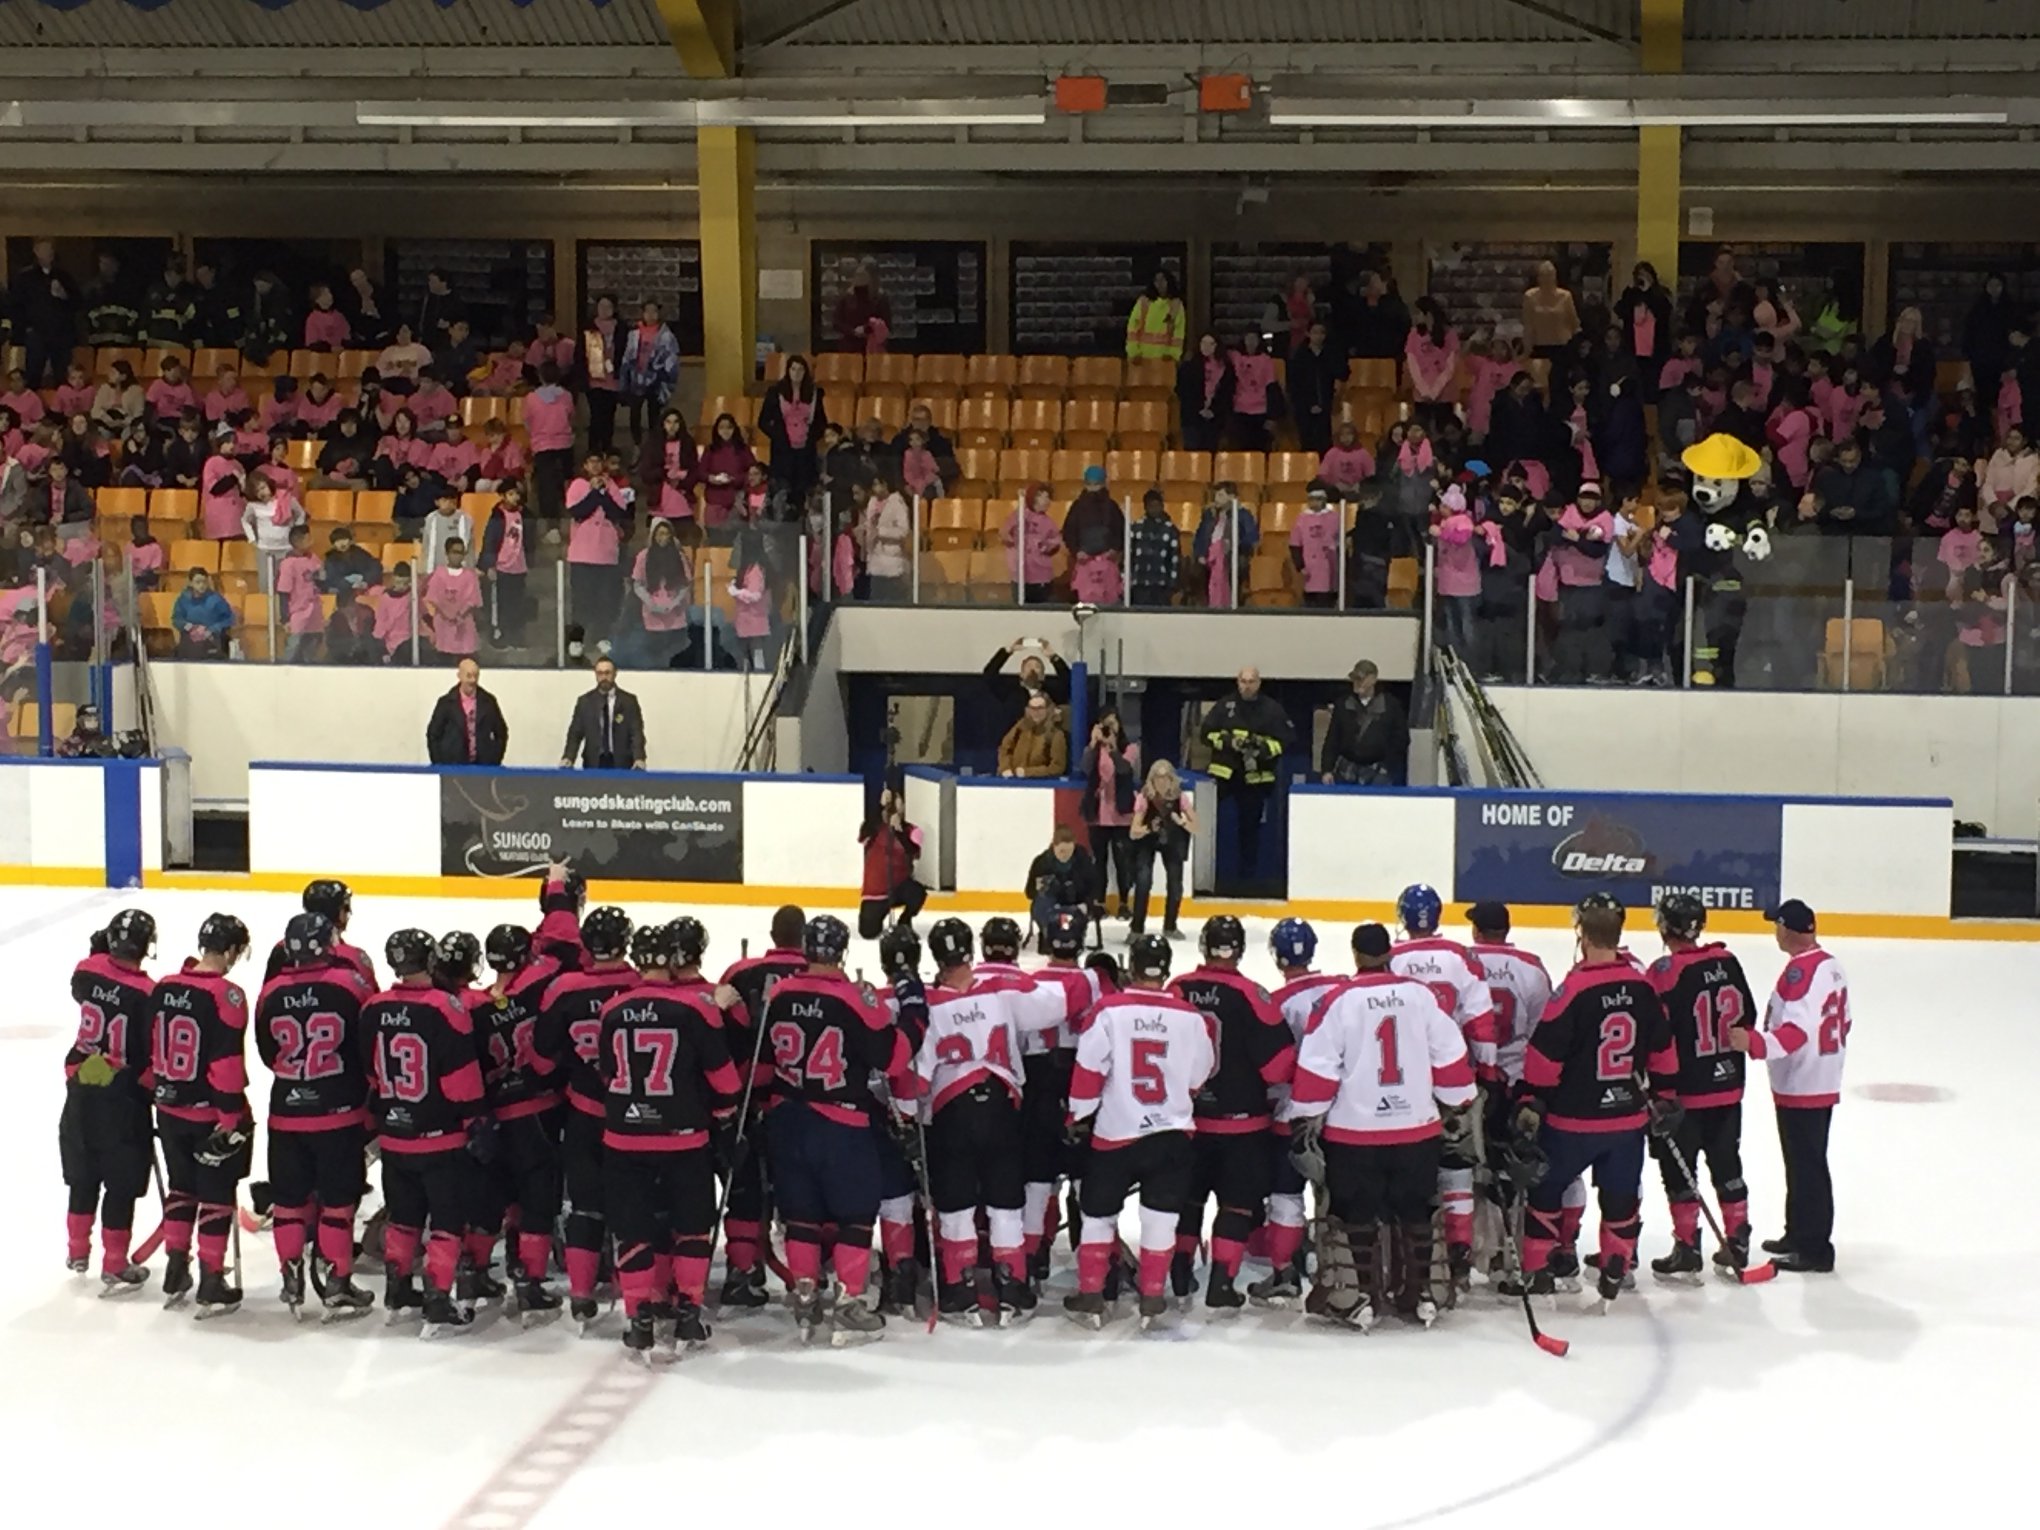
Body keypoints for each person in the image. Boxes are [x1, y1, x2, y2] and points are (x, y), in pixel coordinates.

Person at [1288, 922, 1474, 1329]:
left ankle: (1361, 1296)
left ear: (1355, 955)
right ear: (1390, 952)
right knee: (1416, 1209)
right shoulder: (1421, 998)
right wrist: (1456, 1101)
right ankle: (1422, 1292)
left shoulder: (1338, 1001)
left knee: (1355, 1213)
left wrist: (1306, 1114)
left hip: (1353, 1134)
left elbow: (1318, 1070)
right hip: (1417, 1129)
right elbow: (1450, 1057)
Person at [1510, 894, 1678, 1307]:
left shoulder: (1573, 989)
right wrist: (1665, 1096)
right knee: (1620, 1197)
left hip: (1573, 1120)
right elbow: (1663, 1048)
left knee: (1546, 1189)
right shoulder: (1642, 986)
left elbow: (1544, 1057)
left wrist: (1532, 1100)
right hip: (1626, 1120)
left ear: (1582, 934)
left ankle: (1539, 1269)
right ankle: (1615, 1265)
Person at [761, 914, 913, 1344]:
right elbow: (893, 1061)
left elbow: (763, 1054)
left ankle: (805, 1294)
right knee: (854, 1214)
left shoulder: (780, 992)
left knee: (800, 1213)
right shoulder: (854, 999)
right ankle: (849, 1302)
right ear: (842, 951)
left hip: (788, 1117)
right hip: (842, 1122)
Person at [599, 922, 743, 1359]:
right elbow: (726, 1083)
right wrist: (721, 1117)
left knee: (634, 1229)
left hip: (624, 1138)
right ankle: (689, 1312)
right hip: (684, 1141)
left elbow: (608, 1075)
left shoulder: (612, 1009)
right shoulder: (696, 1009)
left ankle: (639, 1316)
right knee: (692, 1227)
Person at [910, 919, 1065, 1324]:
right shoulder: (1001, 992)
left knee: (957, 1204)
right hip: (1000, 1108)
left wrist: (909, 1115)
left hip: (952, 1113)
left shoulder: (928, 1006)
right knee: (1004, 1200)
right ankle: (1012, 1284)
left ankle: (959, 1289)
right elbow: (1057, 1005)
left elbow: (918, 1079)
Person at [1063, 932, 1215, 1330]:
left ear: (1131, 966)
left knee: (1097, 1215)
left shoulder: (1109, 1011)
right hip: (1172, 1133)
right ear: (1165, 970)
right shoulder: (1190, 1017)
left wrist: (1079, 1115)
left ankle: (1092, 1295)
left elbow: (1089, 1070)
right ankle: (1152, 1295)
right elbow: (1200, 1074)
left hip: (1116, 1134)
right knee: (1161, 1217)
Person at [1165, 916, 1296, 1312]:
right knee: (1237, 1203)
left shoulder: (1178, 989)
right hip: (1244, 1125)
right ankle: (1222, 1282)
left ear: (1204, 946)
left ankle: (1181, 1271)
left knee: (1189, 1198)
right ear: (1239, 949)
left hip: (1186, 1123)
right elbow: (1279, 1067)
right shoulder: (1253, 995)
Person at [360, 930, 486, 1336]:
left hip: (395, 1136)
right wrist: (476, 1122)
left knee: (404, 1217)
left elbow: (371, 1073)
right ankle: (436, 1300)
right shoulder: (445, 1007)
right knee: (447, 1220)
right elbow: (461, 1080)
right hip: (441, 1137)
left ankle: (397, 1292)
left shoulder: (373, 1008)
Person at [251, 913, 376, 1317]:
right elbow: (368, 1044)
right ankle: (337, 1282)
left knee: (288, 1201)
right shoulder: (350, 984)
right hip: (338, 1111)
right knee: (339, 1201)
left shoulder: (271, 990)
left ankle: (291, 1277)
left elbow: (267, 1052)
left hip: (286, 1111)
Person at [1643, 893, 1759, 1280]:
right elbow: (1748, 1015)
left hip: (1683, 1093)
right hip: (1728, 1086)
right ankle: (1738, 1238)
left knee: (1679, 1171)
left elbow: (1652, 1032)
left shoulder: (1663, 971)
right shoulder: (1728, 961)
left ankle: (1688, 1246)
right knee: (1727, 1162)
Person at [1730, 899, 1849, 1274]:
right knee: (1803, 1162)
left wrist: (1754, 1043)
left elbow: (1795, 1032)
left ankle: (1814, 1247)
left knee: (1807, 1164)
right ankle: (1798, 1233)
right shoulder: (1829, 965)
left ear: (1786, 929)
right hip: (1820, 1075)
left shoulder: (1801, 973)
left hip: (1804, 1083)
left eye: (1777, 925)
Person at [529, 906, 636, 1323]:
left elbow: (540, 1059)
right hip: (633, 1118)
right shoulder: (639, 985)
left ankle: (579, 1292)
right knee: (633, 1205)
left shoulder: (562, 988)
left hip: (583, 1114)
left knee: (585, 1206)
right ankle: (634, 1289)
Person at [1385, 884, 1495, 1282]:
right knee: (1456, 1163)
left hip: (1406, 1082)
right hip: (1454, 1079)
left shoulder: (1392, 958)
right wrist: (1488, 1070)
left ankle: (1405, 1257)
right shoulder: (1459, 957)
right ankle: (1460, 1252)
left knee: (1408, 1166)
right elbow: (1480, 1020)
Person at [147, 912, 254, 1315]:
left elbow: (150, 1048)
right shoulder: (227, 995)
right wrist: (231, 1119)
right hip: (209, 1114)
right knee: (216, 1194)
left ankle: (176, 1265)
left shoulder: (164, 987)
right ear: (229, 949)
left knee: (181, 1187)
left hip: (169, 1108)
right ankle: (211, 1277)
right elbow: (226, 1066)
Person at [713, 904, 810, 1307]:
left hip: (746, 1097)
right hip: (801, 1102)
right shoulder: (816, 973)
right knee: (804, 1191)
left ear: (772, 936)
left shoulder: (740, 971)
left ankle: (742, 1271)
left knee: (746, 1188)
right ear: (803, 938)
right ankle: (810, 1273)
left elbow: (715, 1028)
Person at [61, 911, 158, 1291]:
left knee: (83, 1174)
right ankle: (115, 1261)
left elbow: (85, 978)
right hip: (123, 1094)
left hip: (83, 1083)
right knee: (121, 1182)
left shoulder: (87, 972)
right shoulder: (148, 993)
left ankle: (77, 1249)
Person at [1199, 666, 1292, 892]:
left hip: (1256, 780)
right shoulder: (1224, 706)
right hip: (1224, 776)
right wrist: (1228, 741)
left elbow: (1285, 741)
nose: (1246, 685)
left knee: (1250, 833)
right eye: (1243, 681)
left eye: (1251, 681)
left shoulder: (1272, 710)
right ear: (1237, 682)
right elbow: (1205, 734)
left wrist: (1261, 748)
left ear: (1259, 683)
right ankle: (1204, 878)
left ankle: (1247, 883)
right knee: (1205, 825)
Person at [1078, 708, 1140, 916]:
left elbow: (1124, 769)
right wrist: (1092, 744)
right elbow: (1085, 768)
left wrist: (1113, 749)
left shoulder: (1130, 748)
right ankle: (1100, 901)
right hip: (1097, 813)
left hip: (1122, 813)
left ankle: (1124, 902)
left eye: (1114, 724)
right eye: (1106, 724)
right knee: (1099, 861)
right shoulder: (1095, 750)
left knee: (1123, 861)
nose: (1110, 728)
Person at [1127, 759, 1194, 939]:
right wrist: (1148, 828)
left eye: (1165, 777)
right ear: (1152, 779)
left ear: (1172, 779)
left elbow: (1197, 827)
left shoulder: (1180, 798)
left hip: (1173, 841)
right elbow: (1133, 831)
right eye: (1158, 777)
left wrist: (1181, 821)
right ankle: (1137, 928)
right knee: (1143, 881)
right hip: (1147, 841)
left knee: (1175, 883)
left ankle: (1170, 926)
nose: (1162, 782)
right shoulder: (1144, 798)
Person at [1319, 658, 1407, 785]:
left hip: (1378, 773)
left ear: (1373, 679)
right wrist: (1327, 770)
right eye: (1355, 679)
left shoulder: (1391, 706)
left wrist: (1387, 768)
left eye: (1361, 679)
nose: (1357, 683)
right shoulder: (1343, 704)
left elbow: (1400, 740)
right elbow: (1332, 739)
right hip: (1346, 772)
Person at [759, 355, 827, 508]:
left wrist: (810, 437)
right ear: (788, 371)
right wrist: (778, 436)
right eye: (793, 369)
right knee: (783, 492)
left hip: (805, 452)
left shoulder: (815, 393)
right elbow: (762, 421)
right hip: (783, 451)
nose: (797, 373)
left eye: (801, 369)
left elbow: (822, 422)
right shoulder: (775, 392)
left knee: (802, 491)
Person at [857, 787, 925, 939]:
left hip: (898, 888)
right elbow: (865, 829)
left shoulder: (912, 831)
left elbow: (912, 851)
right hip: (875, 893)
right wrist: (879, 806)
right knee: (868, 932)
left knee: (917, 893)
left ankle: (905, 921)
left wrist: (899, 831)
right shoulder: (874, 829)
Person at [12, 239, 78, 388]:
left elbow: (77, 303)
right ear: (36, 252)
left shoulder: (64, 276)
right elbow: (17, 307)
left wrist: (63, 295)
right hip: (36, 333)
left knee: (62, 374)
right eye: (45, 250)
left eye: (51, 251)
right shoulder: (25, 278)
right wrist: (25, 330)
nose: (49, 254)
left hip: (60, 334)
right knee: (33, 374)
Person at [562, 657, 646, 770]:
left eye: (607, 673)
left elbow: (636, 733)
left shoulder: (629, 702)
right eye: (600, 673)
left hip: (622, 763)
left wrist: (639, 758)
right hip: (593, 762)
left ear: (615, 674)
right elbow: (575, 734)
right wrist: (569, 757)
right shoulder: (585, 702)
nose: (604, 677)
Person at [425, 657, 508, 766]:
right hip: (452, 767)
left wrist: (494, 760)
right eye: (469, 676)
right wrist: (439, 764)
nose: (473, 680)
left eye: (476, 676)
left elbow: (501, 733)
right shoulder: (446, 703)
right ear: (459, 676)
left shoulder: (489, 702)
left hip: (483, 768)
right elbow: (433, 735)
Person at [1062, 466, 1126, 605]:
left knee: (1110, 601)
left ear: (1104, 484)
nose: (1093, 488)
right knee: (1085, 603)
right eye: (1089, 484)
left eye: (1096, 484)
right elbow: (1069, 532)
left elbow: (1120, 531)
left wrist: (1114, 549)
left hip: (1108, 563)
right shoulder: (1077, 507)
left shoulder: (1112, 507)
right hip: (1085, 564)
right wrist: (1077, 551)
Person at [1023, 824, 1096, 939]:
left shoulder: (1083, 859)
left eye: (1069, 851)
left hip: (1076, 901)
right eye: (1062, 851)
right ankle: (1051, 934)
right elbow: (1029, 892)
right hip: (1050, 904)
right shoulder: (1041, 863)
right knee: (1043, 903)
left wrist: (1086, 901)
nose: (1065, 855)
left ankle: (1070, 935)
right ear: (1054, 847)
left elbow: (1093, 885)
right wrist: (1038, 888)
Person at [1287, 320, 1348, 454]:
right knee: (1307, 441)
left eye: (1321, 333)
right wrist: (1309, 404)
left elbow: (1342, 372)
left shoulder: (1331, 354)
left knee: (1325, 443)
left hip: (1325, 404)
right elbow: (1295, 384)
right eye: (1315, 332)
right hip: (1304, 406)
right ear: (1308, 334)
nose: (1318, 336)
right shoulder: (1299, 356)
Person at [982, 637, 1070, 718]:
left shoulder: (1051, 694)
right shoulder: (1010, 692)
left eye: (1037, 667)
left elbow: (1069, 682)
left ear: (1043, 676)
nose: (1032, 669)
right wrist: (1008, 651)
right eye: (1028, 666)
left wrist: (1053, 657)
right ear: (1021, 674)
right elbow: (989, 675)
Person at [1177, 332, 1235, 453]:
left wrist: (1213, 410)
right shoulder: (1188, 367)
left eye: (1210, 344)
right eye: (1203, 343)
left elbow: (1227, 394)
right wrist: (1200, 408)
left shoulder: (1227, 368)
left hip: (1215, 419)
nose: (1206, 347)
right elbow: (1183, 392)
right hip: (1192, 418)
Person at [1127, 488, 1181, 606]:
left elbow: (1174, 559)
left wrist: (1172, 584)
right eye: (1151, 506)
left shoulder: (1170, 530)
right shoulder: (1136, 528)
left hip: (1161, 584)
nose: (1155, 509)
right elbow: (1130, 556)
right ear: (1145, 507)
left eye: (1158, 505)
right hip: (1139, 582)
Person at [998, 691, 1068, 779]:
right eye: (1033, 708)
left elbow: (1057, 767)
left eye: (1040, 708)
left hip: (1041, 785)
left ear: (1048, 709)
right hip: (1014, 780)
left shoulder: (1056, 735)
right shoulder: (1020, 727)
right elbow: (1005, 748)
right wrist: (1005, 768)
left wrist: (1028, 772)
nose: (1036, 712)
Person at [171, 567, 234, 659]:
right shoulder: (183, 599)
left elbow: (229, 619)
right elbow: (176, 619)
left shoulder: (216, 599)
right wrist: (186, 625)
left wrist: (212, 629)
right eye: (198, 582)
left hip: (211, 640)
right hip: (189, 641)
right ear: (190, 583)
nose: (202, 585)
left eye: (204, 582)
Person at [1124, 269, 1186, 363]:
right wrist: (1134, 352)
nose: (1160, 284)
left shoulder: (1176, 305)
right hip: (1141, 360)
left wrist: (1173, 355)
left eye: (1163, 280)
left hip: (1165, 360)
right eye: (1156, 281)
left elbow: (1178, 333)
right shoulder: (1143, 302)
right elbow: (1132, 329)